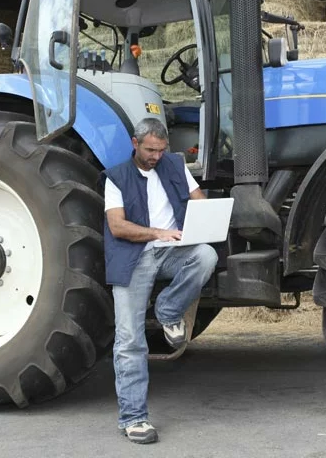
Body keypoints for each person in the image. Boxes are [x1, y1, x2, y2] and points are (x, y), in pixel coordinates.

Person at [103, 117, 218, 445]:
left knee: (206, 255)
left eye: (161, 150)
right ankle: (133, 418)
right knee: (129, 340)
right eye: (151, 150)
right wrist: (157, 233)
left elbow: (198, 200)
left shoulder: (174, 164)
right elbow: (117, 227)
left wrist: (207, 219)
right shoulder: (116, 178)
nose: (156, 156)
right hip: (133, 258)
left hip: (171, 252)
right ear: (135, 144)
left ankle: (168, 312)